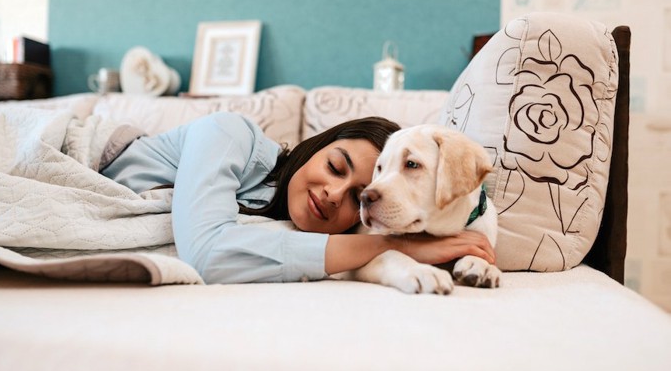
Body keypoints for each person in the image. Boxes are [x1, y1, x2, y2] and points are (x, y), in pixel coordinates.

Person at [101, 112, 495, 284]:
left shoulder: (278, 224)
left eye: (358, 196)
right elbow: (205, 252)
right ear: (314, 147)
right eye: (335, 167)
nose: (334, 194)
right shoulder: (229, 133)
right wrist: (394, 245)